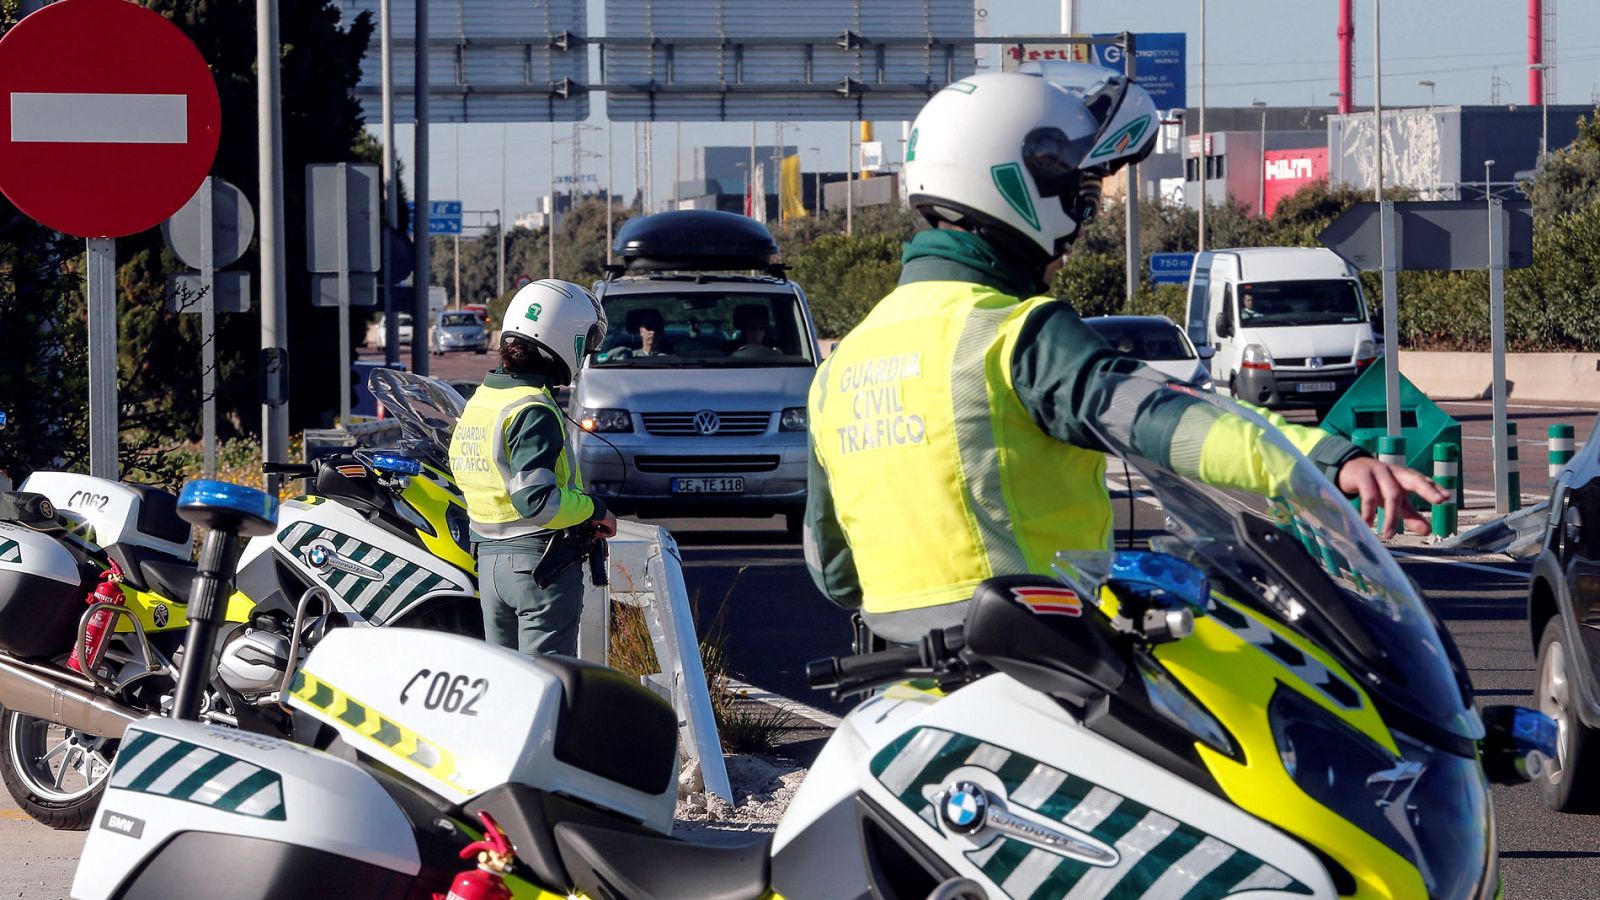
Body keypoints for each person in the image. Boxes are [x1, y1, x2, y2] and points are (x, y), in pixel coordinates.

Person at [804, 68, 1445, 643]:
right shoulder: (1010, 334)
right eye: (1080, 201)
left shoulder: (840, 369)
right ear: (1014, 188)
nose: (1080, 229)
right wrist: (1321, 460)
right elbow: (1165, 419)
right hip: (1042, 666)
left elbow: (832, 569)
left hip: (903, 686)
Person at [449, 279, 617, 656]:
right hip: (538, 566)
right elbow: (536, 500)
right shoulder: (532, 409)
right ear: (564, 339)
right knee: (546, 688)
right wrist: (594, 509)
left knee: (507, 688)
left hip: (490, 566)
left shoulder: (481, 402)